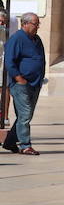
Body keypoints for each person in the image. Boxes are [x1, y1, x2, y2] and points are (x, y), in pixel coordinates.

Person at [2, 11, 45, 156]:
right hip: (20, 84)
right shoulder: (17, 39)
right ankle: (25, 145)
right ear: (25, 24)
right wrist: (19, 78)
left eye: (38, 23)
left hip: (35, 83)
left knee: (25, 116)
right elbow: (9, 61)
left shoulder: (37, 39)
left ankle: (9, 142)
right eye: (35, 24)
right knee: (25, 114)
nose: (38, 26)